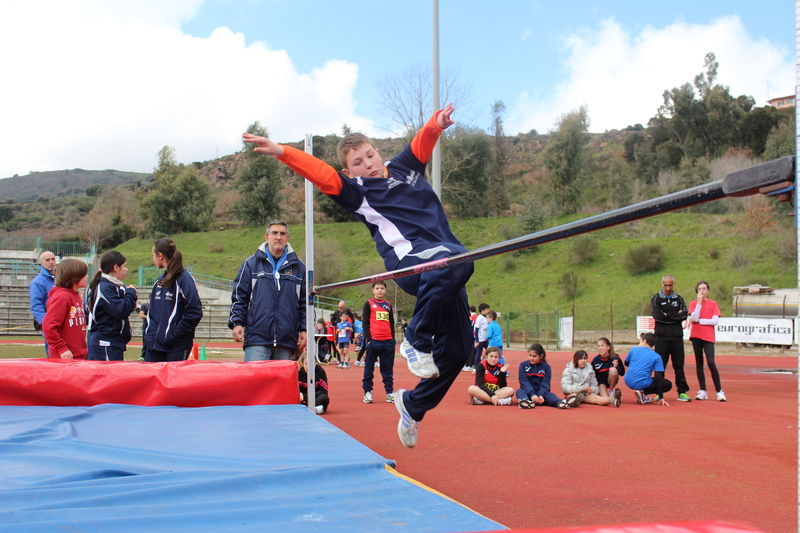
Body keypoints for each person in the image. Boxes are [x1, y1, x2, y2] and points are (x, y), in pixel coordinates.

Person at [244, 103, 474, 448]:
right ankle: (416, 337)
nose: (367, 164)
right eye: (357, 163)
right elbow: (320, 172)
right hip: (412, 264)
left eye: (369, 156)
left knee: (458, 351)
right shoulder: (357, 193)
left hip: (444, 266)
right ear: (349, 171)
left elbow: (422, 142)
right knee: (460, 259)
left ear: (377, 152)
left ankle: (413, 404)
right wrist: (282, 152)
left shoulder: (405, 167)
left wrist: (437, 123)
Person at [229, 220, 307, 361]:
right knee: (255, 382)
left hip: (286, 340)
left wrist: (304, 329)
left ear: (287, 238)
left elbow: (305, 302)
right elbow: (239, 297)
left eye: (282, 233)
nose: (278, 237)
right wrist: (237, 323)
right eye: (274, 233)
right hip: (257, 338)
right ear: (266, 237)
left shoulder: (299, 267)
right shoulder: (251, 264)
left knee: (281, 383)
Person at [144, 238, 203, 362]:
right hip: (154, 346)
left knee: (173, 381)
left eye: (153, 255)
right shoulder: (159, 282)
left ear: (160, 256)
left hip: (176, 345)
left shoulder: (184, 280)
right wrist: (150, 337)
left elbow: (195, 311)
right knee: (153, 380)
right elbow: (153, 313)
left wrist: (176, 333)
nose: (152, 259)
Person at [86, 251, 138, 361]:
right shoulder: (105, 287)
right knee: (109, 377)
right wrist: (131, 293)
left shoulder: (115, 286)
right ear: (116, 267)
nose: (127, 269)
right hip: (106, 342)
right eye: (125, 266)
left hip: (114, 342)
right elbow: (121, 310)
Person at [651, 275, 691, 401]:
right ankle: (659, 392)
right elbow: (657, 316)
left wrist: (667, 314)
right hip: (661, 337)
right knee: (660, 365)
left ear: (674, 284)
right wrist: (674, 316)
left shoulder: (679, 299)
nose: (668, 288)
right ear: (662, 284)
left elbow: (684, 315)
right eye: (666, 285)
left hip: (676, 337)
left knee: (679, 365)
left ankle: (682, 392)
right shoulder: (656, 299)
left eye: (670, 285)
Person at [42, 258, 88, 360]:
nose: (87, 277)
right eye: (84, 274)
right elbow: (48, 326)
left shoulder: (75, 296)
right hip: (65, 356)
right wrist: (62, 348)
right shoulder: (62, 297)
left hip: (78, 354)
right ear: (74, 276)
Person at [687, 281, 726, 402]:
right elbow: (694, 318)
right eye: (699, 289)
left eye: (704, 289)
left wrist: (701, 321)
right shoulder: (693, 304)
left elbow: (715, 321)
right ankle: (702, 390)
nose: (702, 291)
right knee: (699, 363)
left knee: (710, 362)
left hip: (708, 337)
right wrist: (699, 303)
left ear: (708, 290)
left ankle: (719, 391)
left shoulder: (713, 304)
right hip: (696, 336)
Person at [361, 280, 395, 404]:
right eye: (377, 288)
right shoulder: (369, 303)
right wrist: (368, 338)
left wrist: (393, 338)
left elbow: (391, 323)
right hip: (374, 341)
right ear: (373, 290)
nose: (380, 290)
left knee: (387, 369)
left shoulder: (388, 305)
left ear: (385, 290)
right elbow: (365, 322)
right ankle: (367, 392)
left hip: (388, 342)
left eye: (382, 288)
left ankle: (389, 392)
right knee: (369, 368)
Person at [516, 343, 578, 409]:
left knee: (550, 396)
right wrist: (532, 394)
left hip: (541, 392)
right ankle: (526, 402)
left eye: (534, 356)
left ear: (541, 356)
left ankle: (561, 402)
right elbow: (523, 381)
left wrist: (541, 395)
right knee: (519, 391)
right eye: (530, 355)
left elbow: (545, 383)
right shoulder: (523, 365)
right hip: (528, 391)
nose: (531, 358)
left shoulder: (546, 367)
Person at [624, 332, 672, 406]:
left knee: (647, 378)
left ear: (645, 341)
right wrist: (661, 396)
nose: (639, 344)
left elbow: (626, 363)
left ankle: (642, 394)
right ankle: (643, 393)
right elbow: (658, 377)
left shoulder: (633, 349)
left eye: (640, 341)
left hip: (627, 380)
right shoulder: (657, 356)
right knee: (668, 385)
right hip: (642, 382)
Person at [30, 250, 56, 356]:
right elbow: (36, 305)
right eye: (47, 260)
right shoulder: (38, 282)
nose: (51, 262)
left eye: (53, 259)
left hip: (64, 325)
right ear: (41, 263)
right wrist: (46, 324)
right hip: (51, 326)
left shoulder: (61, 277)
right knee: (53, 359)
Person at [473, 303, 490, 369]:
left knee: (488, 352)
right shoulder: (479, 318)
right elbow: (476, 329)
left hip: (486, 339)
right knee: (478, 353)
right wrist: (477, 340)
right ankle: (476, 367)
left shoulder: (486, 318)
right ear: (482, 310)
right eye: (487, 309)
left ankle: (487, 365)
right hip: (480, 339)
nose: (488, 311)